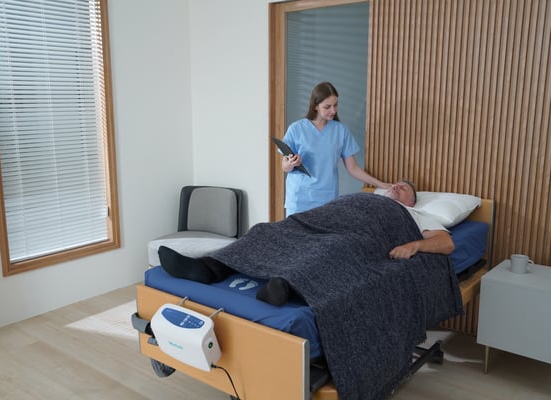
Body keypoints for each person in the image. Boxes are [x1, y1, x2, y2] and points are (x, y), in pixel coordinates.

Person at [158, 180, 455, 306]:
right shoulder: (363, 197)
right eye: (394, 183)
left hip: (360, 234)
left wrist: (414, 246)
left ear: (411, 200)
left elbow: (446, 244)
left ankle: (282, 286)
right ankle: (208, 268)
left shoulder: (414, 214)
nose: (395, 186)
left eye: (403, 188)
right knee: (268, 231)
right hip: (326, 218)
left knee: (330, 249)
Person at [281, 81, 391, 216]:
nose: (333, 111)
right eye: (327, 107)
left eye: (335, 105)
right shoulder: (296, 129)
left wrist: (381, 184)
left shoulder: (341, 131)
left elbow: (353, 168)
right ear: (315, 106)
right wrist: (291, 164)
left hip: (326, 199)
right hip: (299, 199)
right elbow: (285, 167)